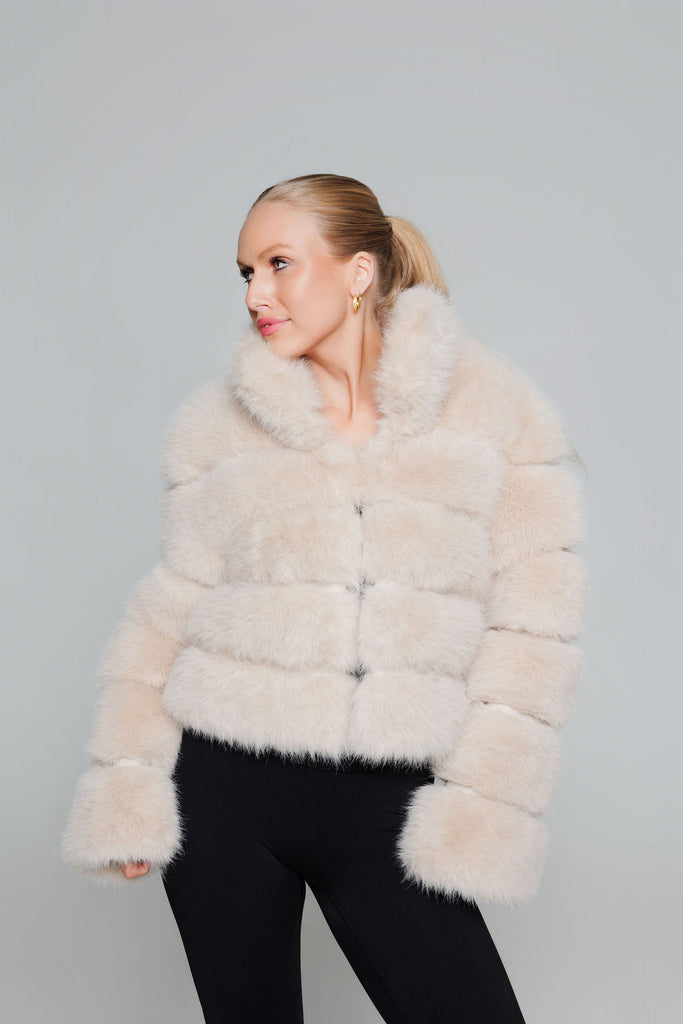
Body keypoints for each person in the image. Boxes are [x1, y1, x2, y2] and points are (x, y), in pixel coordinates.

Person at [62, 172, 589, 1022]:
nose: (255, 294)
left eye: (278, 264)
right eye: (245, 273)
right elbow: (170, 608)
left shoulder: (494, 416)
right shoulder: (214, 425)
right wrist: (129, 787)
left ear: (357, 273)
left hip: (387, 801)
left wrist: (480, 809)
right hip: (220, 796)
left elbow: (531, 635)